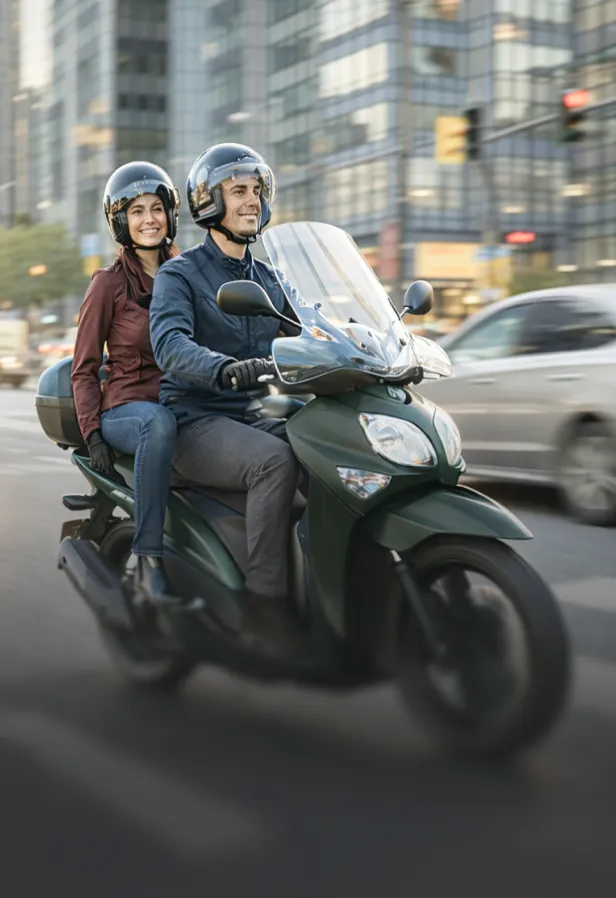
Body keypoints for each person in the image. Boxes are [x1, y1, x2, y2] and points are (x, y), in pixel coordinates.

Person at [149, 143, 303, 654]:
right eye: (238, 190)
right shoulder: (181, 274)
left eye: (257, 190)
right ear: (209, 202)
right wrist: (223, 369)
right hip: (194, 420)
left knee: (331, 451)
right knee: (275, 462)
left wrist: (368, 342)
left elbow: (310, 328)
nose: (252, 200)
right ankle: (264, 609)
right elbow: (170, 343)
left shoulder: (269, 277)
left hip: (254, 414)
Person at [71, 161, 182, 606]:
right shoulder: (108, 285)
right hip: (128, 411)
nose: (149, 219)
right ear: (121, 221)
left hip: (181, 404)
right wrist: (93, 433)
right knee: (155, 424)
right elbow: (83, 367)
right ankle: (149, 560)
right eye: (136, 211)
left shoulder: (188, 273)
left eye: (156, 208)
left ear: (171, 215)